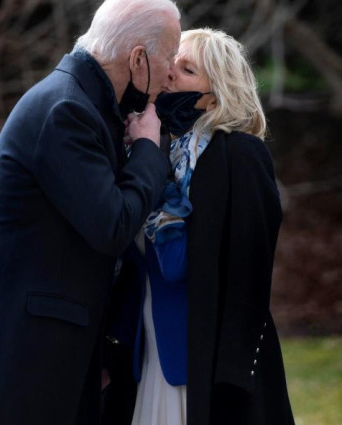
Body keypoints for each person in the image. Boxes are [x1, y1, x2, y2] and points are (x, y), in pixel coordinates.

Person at [0, 0, 182, 425]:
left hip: (46, 354)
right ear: (138, 59)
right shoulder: (67, 110)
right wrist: (147, 150)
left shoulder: (87, 108)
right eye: (169, 57)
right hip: (18, 358)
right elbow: (112, 225)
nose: (171, 75)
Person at [103, 28, 294, 425]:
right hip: (149, 357)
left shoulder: (239, 154)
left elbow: (251, 270)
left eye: (187, 69)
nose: (169, 74)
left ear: (217, 93)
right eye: (170, 64)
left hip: (208, 368)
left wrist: (231, 374)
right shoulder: (148, 155)